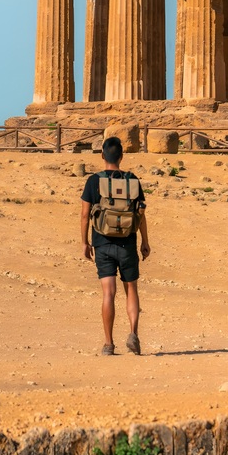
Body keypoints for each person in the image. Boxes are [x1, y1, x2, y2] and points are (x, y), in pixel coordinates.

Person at [81, 136, 150, 355]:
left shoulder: (94, 181)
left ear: (102, 156)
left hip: (102, 243)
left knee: (108, 293)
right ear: (121, 157)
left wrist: (85, 242)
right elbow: (141, 214)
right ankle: (134, 335)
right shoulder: (132, 180)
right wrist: (145, 242)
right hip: (128, 243)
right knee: (131, 289)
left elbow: (84, 215)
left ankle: (109, 344)